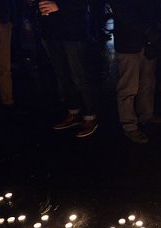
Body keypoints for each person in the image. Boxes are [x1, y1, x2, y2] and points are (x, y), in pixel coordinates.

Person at [37, 0, 99, 138]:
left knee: (79, 76)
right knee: (62, 76)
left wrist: (59, 6)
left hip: (73, 32)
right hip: (50, 31)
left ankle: (90, 116)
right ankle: (73, 112)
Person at [111, 0, 161, 144]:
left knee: (148, 81)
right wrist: (148, 29)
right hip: (129, 42)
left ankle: (146, 115)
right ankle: (129, 125)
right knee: (128, 86)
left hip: (148, 42)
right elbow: (121, 10)